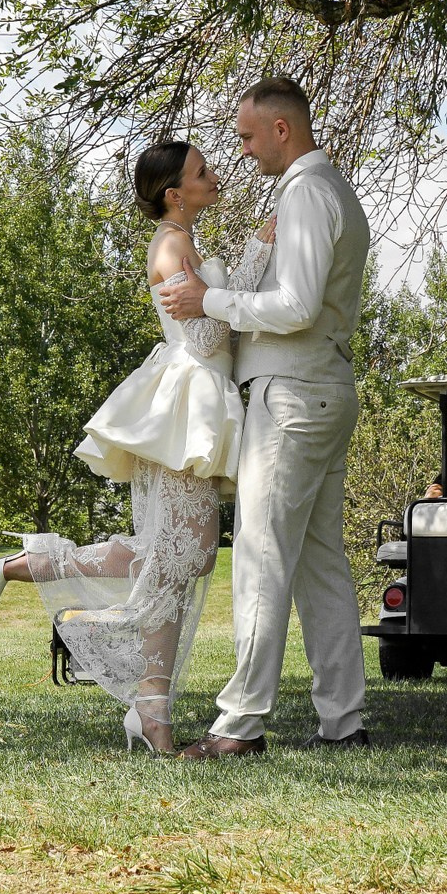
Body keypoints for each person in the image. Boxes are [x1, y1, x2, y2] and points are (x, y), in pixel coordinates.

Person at [0, 139, 261, 756]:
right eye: (202, 172)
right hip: (184, 408)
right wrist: (256, 260)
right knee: (177, 560)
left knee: (176, 559)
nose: (213, 177)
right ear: (174, 193)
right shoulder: (169, 245)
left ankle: (147, 704)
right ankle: (148, 705)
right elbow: (211, 330)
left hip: (204, 401)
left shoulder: (185, 243)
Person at [157, 76, 374, 759]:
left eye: (249, 136)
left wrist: (211, 300)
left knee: (259, 554)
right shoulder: (334, 191)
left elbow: (296, 305)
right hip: (322, 387)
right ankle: (343, 719)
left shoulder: (308, 192)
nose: (243, 150)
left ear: (282, 129)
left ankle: (239, 723)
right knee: (319, 562)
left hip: (294, 393)